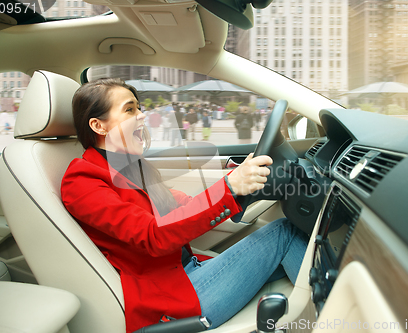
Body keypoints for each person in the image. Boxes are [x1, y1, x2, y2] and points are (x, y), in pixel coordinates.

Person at [61, 78, 309, 333]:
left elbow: (185, 206)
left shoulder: (132, 167)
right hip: (172, 300)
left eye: (139, 108)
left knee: (294, 241)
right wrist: (229, 188)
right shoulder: (82, 180)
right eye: (129, 109)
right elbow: (152, 235)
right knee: (285, 233)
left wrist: (236, 182)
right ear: (98, 125)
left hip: (188, 272)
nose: (142, 116)